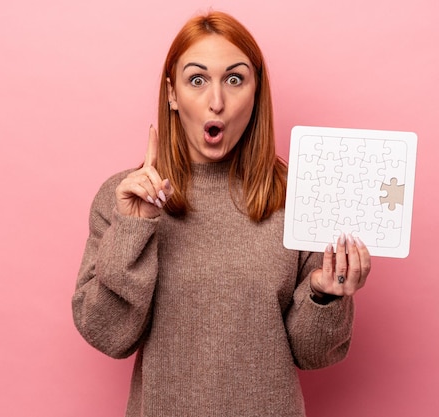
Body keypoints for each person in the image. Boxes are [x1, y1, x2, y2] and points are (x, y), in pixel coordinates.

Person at [72, 10, 371, 417]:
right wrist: (132, 229)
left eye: (235, 79)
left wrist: (325, 294)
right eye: (197, 80)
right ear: (172, 93)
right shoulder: (123, 199)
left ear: (256, 91)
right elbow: (108, 336)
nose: (216, 102)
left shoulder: (297, 198)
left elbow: (312, 355)